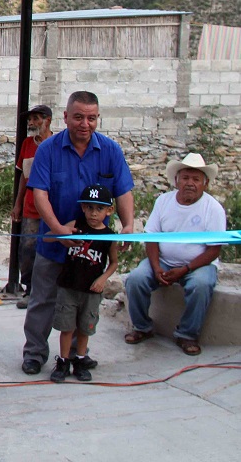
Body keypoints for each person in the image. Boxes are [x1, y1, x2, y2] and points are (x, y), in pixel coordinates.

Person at [22, 90, 134, 375]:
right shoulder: (48, 150)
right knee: (43, 300)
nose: (85, 124)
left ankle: (73, 355)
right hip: (54, 244)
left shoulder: (110, 151)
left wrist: (128, 225)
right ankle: (34, 353)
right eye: (79, 117)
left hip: (90, 251)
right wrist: (59, 230)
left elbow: (123, 190)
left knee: (80, 302)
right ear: (65, 117)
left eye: (92, 118)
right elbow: (40, 194)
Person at [124, 153, 226, 356]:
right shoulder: (163, 201)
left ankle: (187, 334)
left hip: (198, 265)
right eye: (186, 178)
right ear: (177, 180)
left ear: (204, 184)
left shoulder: (213, 208)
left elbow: (214, 249)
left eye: (196, 179)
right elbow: (151, 238)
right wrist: (156, 268)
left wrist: (185, 269)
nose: (190, 183)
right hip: (163, 261)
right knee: (135, 280)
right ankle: (142, 327)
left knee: (201, 285)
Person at [49, 185, 119, 383]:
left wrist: (103, 279)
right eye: (89, 207)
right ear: (83, 208)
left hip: (91, 290)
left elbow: (113, 262)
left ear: (109, 210)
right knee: (66, 327)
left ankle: (79, 360)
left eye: (99, 208)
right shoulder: (76, 225)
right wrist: (63, 235)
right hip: (68, 286)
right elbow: (48, 238)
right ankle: (63, 361)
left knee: (84, 328)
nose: (94, 213)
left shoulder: (110, 236)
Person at [11, 104, 54, 309]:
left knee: (51, 246)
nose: (32, 123)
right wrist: (17, 204)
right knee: (28, 248)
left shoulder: (57, 144)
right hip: (30, 206)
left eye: (37, 118)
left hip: (54, 207)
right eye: (31, 119)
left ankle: (48, 290)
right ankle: (29, 288)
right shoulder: (28, 144)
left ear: (48, 120)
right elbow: (22, 176)